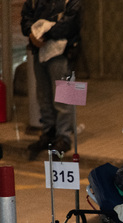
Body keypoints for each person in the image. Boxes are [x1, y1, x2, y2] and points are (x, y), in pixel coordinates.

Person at [21, 0, 82, 160]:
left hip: (65, 53)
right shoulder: (34, 1)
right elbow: (25, 19)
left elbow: (71, 25)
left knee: (66, 97)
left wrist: (43, 34)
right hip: (39, 51)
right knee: (43, 96)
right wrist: (32, 34)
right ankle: (49, 133)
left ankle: (64, 137)